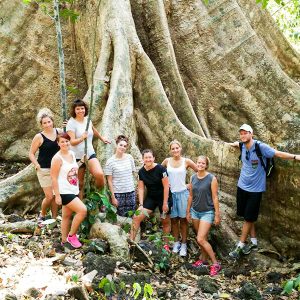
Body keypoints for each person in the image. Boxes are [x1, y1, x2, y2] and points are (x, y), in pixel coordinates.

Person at [228, 124, 300, 259]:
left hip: (256, 189)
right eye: (241, 133)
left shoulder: (261, 147)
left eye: (245, 133)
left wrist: (295, 157)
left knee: (249, 217)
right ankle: (254, 242)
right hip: (242, 186)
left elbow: (277, 153)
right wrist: (230, 144)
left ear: (251, 134)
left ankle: (240, 246)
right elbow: (236, 144)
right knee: (247, 217)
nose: (243, 135)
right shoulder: (242, 145)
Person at [66, 99, 110, 199]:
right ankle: (80, 206)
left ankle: (100, 198)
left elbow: (93, 130)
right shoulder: (71, 123)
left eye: (82, 108)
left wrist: (102, 138)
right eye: (78, 109)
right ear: (74, 110)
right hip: (77, 157)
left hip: (89, 153)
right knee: (79, 184)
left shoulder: (87, 120)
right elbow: (71, 142)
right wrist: (82, 138)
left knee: (99, 175)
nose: (81, 111)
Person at [161, 140, 198, 257]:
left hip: (183, 194)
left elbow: (199, 171)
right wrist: (164, 184)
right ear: (170, 150)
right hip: (171, 195)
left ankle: (184, 244)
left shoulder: (186, 161)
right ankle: (176, 242)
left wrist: (190, 184)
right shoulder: (167, 161)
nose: (175, 150)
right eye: (173, 148)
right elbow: (158, 172)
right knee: (173, 220)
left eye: (177, 148)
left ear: (181, 148)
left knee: (183, 220)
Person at [130, 149, 172, 249]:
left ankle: (166, 244)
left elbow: (166, 186)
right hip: (151, 198)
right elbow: (140, 188)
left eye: (150, 157)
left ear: (153, 158)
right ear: (143, 159)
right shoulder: (141, 172)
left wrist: (165, 203)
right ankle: (131, 242)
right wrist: (140, 204)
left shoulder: (161, 169)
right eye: (146, 157)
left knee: (165, 221)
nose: (148, 159)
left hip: (164, 197)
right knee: (136, 217)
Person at [186, 155, 221, 276]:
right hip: (195, 211)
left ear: (206, 165)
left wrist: (217, 214)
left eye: (203, 163)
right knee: (202, 239)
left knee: (200, 238)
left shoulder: (212, 178)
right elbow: (190, 195)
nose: (200, 165)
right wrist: (188, 211)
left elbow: (215, 197)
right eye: (198, 163)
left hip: (207, 212)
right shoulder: (192, 178)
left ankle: (215, 263)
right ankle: (204, 261)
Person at [51, 132, 87, 248]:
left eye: (67, 141)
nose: (65, 143)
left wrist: (81, 162)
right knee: (82, 210)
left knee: (66, 216)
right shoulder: (57, 158)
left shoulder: (71, 153)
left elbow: (72, 168)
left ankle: (64, 241)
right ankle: (72, 236)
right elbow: (53, 178)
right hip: (64, 191)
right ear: (58, 143)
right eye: (62, 141)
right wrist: (57, 195)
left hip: (73, 189)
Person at [29, 108, 63, 226]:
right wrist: (36, 165)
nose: (48, 124)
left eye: (49, 122)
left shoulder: (59, 131)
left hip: (58, 169)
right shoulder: (39, 137)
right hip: (44, 169)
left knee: (55, 195)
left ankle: (54, 218)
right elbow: (31, 153)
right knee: (49, 196)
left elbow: (67, 141)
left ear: (53, 121)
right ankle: (42, 214)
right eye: (45, 123)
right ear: (41, 124)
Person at [104, 135, 136, 216]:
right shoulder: (110, 162)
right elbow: (109, 181)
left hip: (130, 192)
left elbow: (132, 173)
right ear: (116, 145)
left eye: (125, 146)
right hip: (118, 194)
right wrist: (113, 197)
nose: (122, 147)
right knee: (120, 218)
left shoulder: (130, 158)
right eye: (121, 145)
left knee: (131, 217)